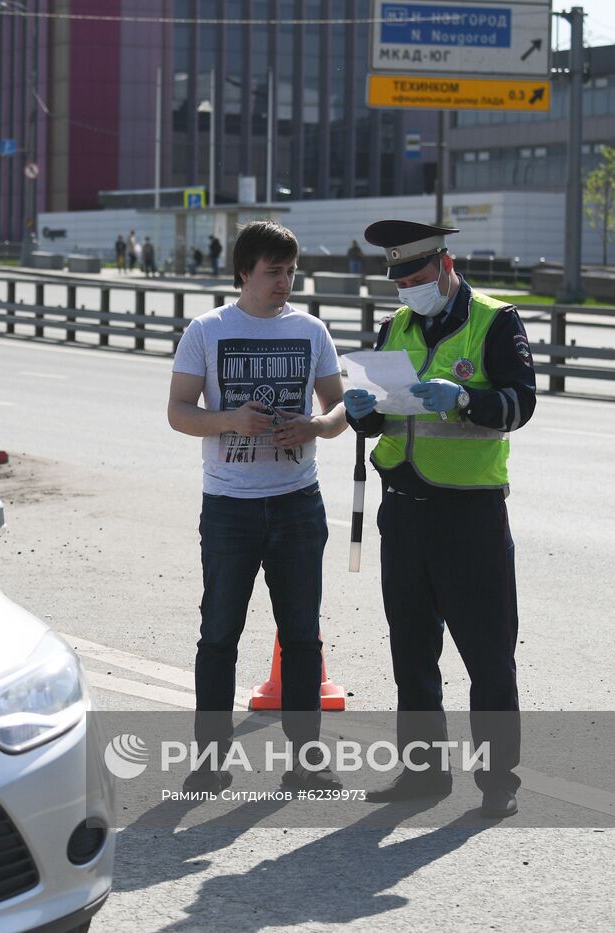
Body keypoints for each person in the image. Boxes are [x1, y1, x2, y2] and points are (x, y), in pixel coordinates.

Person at [342, 220, 535, 819]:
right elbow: (389, 417)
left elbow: (520, 404)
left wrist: (465, 400)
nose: (408, 290)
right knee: (412, 652)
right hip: (404, 512)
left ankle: (497, 781)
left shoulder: (494, 321)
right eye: (399, 281)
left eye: (418, 278)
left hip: (469, 515)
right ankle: (423, 775)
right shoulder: (395, 325)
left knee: (487, 653)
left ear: (446, 267)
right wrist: (363, 415)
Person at [168, 220, 348, 793]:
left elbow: (341, 409)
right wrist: (228, 420)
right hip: (230, 506)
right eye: (274, 272)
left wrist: (316, 426)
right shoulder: (207, 329)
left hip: (298, 503)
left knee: (301, 635)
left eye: (292, 272)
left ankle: (306, 761)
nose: (285, 283)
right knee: (219, 634)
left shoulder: (312, 330)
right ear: (244, 272)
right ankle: (208, 763)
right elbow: (177, 411)